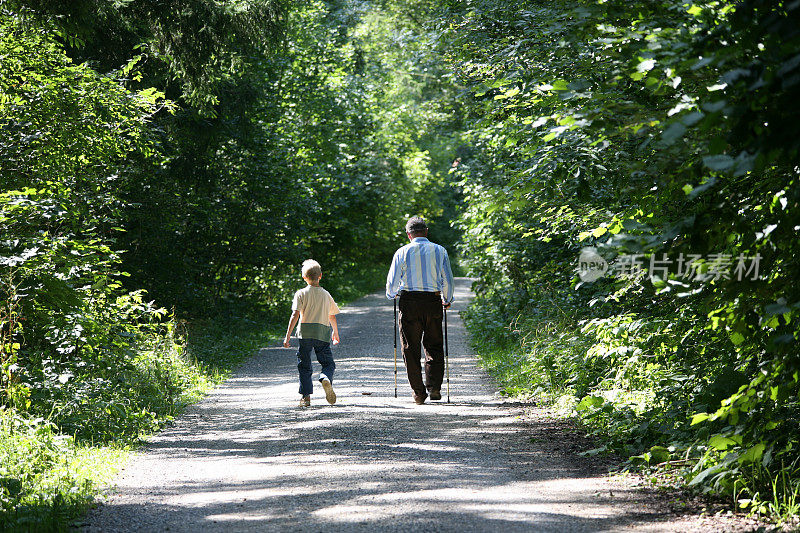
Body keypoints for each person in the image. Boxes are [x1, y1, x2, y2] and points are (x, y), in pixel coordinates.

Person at [386, 216, 455, 404]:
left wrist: (392, 294)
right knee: (434, 345)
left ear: (409, 234)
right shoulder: (440, 251)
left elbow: (392, 283)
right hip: (432, 301)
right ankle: (434, 388)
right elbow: (447, 279)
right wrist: (447, 299)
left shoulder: (402, 252)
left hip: (409, 302)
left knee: (410, 348)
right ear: (426, 232)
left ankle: (418, 392)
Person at [283, 259, 340, 407]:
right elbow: (331, 315)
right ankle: (326, 377)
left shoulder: (301, 293)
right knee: (328, 363)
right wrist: (335, 332)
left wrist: (288, 335)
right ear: (320, 276)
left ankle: (306, 397)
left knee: (304, 365)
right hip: (322, 333)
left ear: (304, 277)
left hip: (305, 333)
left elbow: (295, 315)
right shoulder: (326, 294)